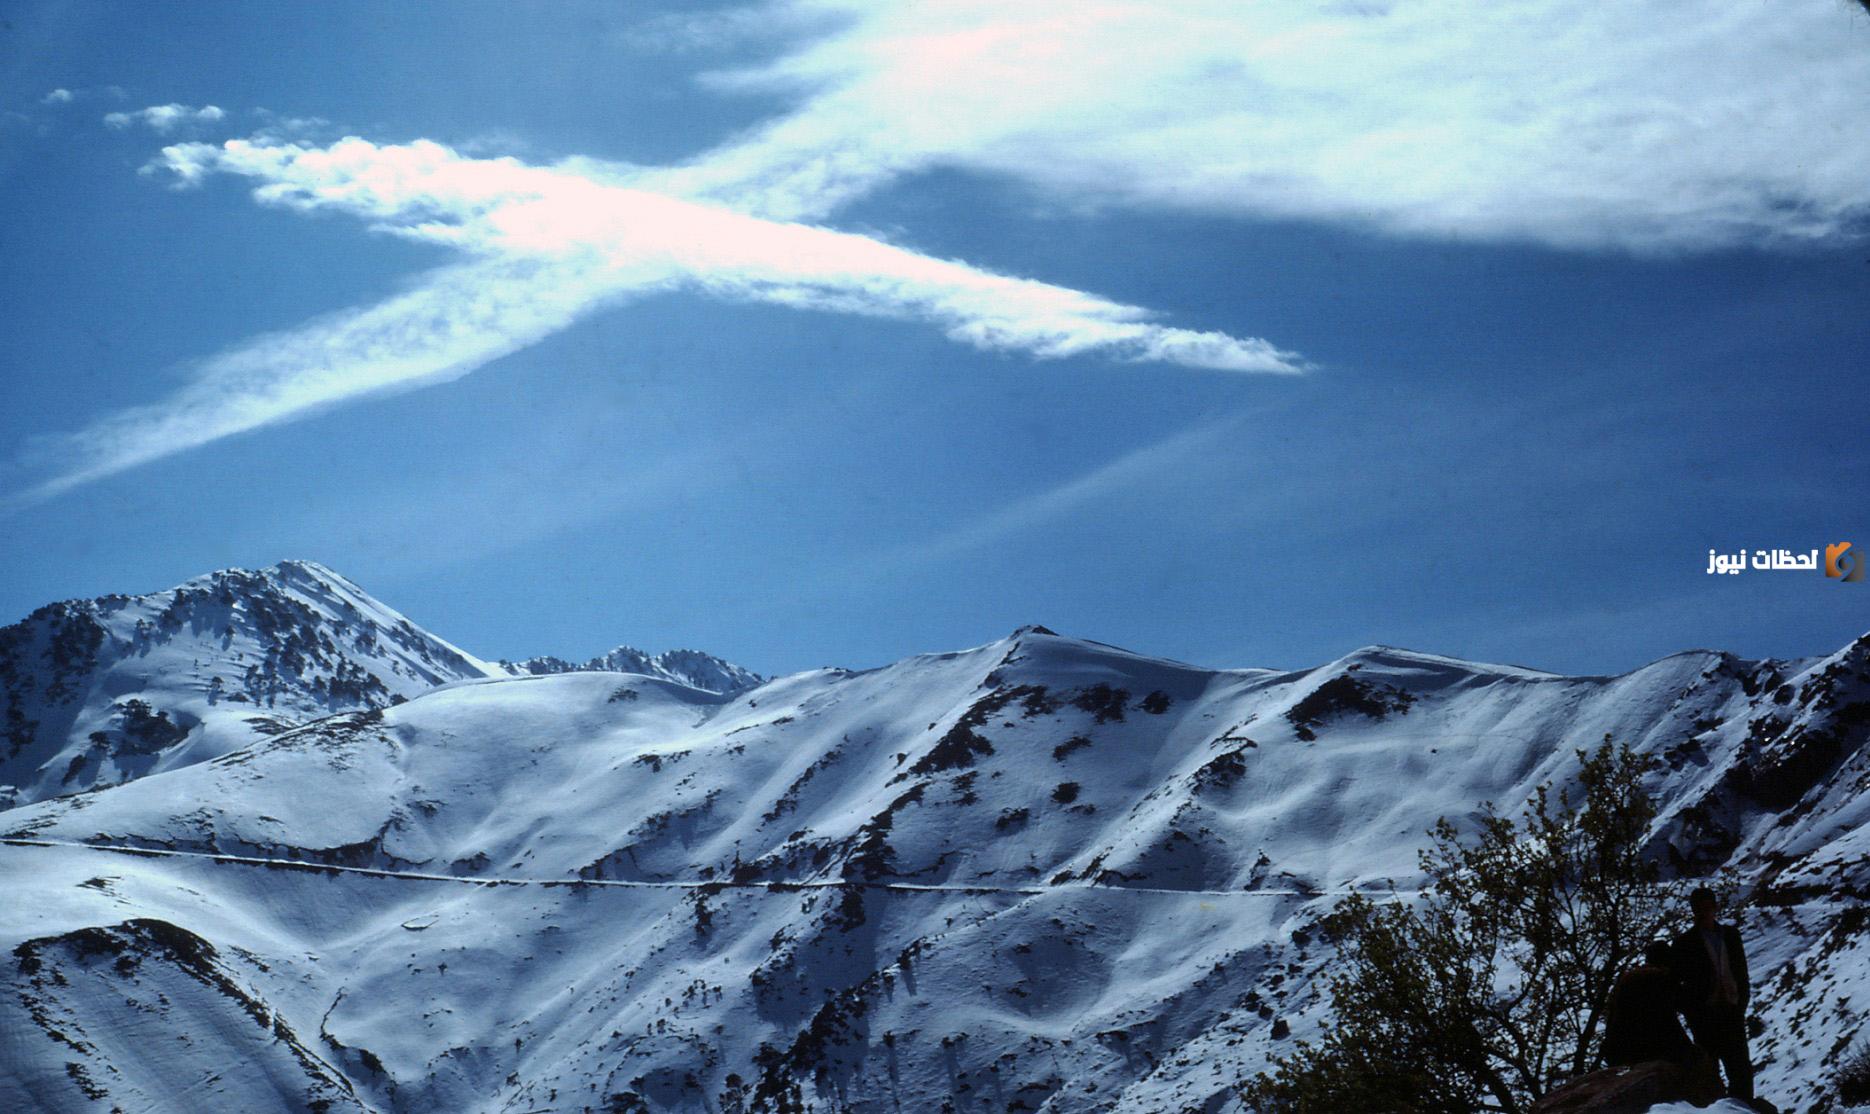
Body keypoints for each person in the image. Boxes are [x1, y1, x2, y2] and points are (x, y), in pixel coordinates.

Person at [1671, 886, 1753, 1100]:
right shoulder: (1684, 943)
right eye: (1699, 908)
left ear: (1715, 908)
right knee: (1710, 1072)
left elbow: (1741, 973)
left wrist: (1741, 1003)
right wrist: (1694, 1013)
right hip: (1705, 1017)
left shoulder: (1731, 936)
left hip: (1731, 1011)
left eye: (1707, 907)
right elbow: (1676, 983)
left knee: (1740, 1070)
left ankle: (1743, 1108)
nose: (1704, 912)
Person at [1601, 940, 1698, 1068]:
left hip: (1623, 1046)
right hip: (1652, 1045)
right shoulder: (1661, 977)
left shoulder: (1627, 978)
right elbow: (1676, 1011)